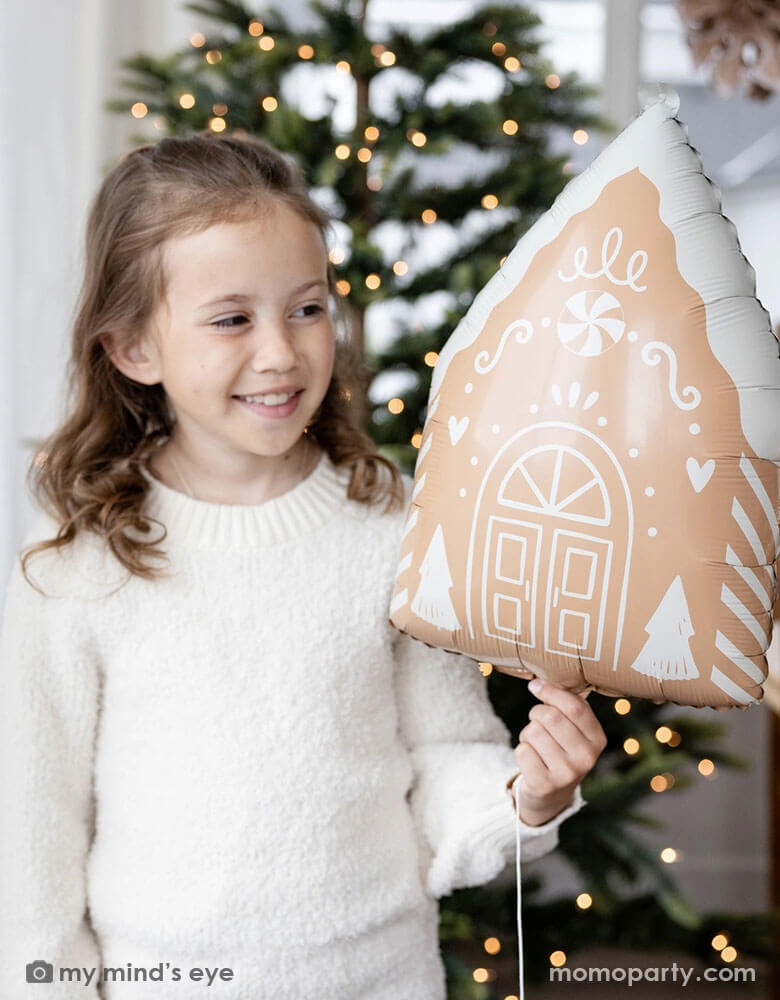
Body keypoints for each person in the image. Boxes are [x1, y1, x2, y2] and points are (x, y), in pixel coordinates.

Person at [0, 132, 607, 1000]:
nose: (282, 353)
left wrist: (525, 798)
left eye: (308, 307)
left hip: (382, 979)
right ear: (134, 348)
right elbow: (32, 837)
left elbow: (444, 752)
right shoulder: (76, 566)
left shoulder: (392, 524)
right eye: (231, 319)